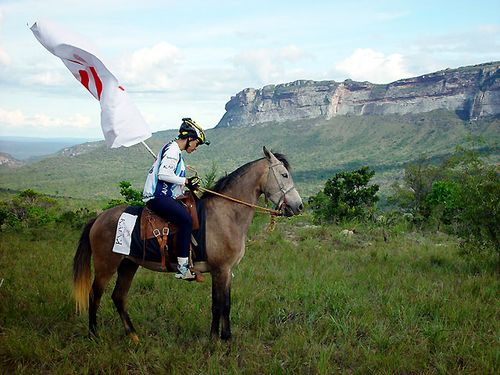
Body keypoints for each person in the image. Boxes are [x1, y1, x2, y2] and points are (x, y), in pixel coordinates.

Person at [143, 118, 209, 280]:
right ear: (190, 139)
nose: (196, 147)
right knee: (186, 220)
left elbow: (171, 179)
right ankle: (182, 267)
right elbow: (163, 175)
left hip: (165, 195)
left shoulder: (173, 149)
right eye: (197, 143)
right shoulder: (173, 151)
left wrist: (188, 187)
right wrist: (186, 181)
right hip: (158, 197)